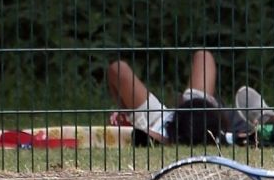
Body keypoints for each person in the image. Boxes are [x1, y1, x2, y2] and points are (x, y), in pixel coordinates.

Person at [106, 49, 254, 146]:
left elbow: (146, 135)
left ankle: (126, 115)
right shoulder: (213, 125)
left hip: (157, 122)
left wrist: (128, 115)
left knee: (118, 69)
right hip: (200, 112)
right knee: (203, 55)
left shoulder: (161, 136)